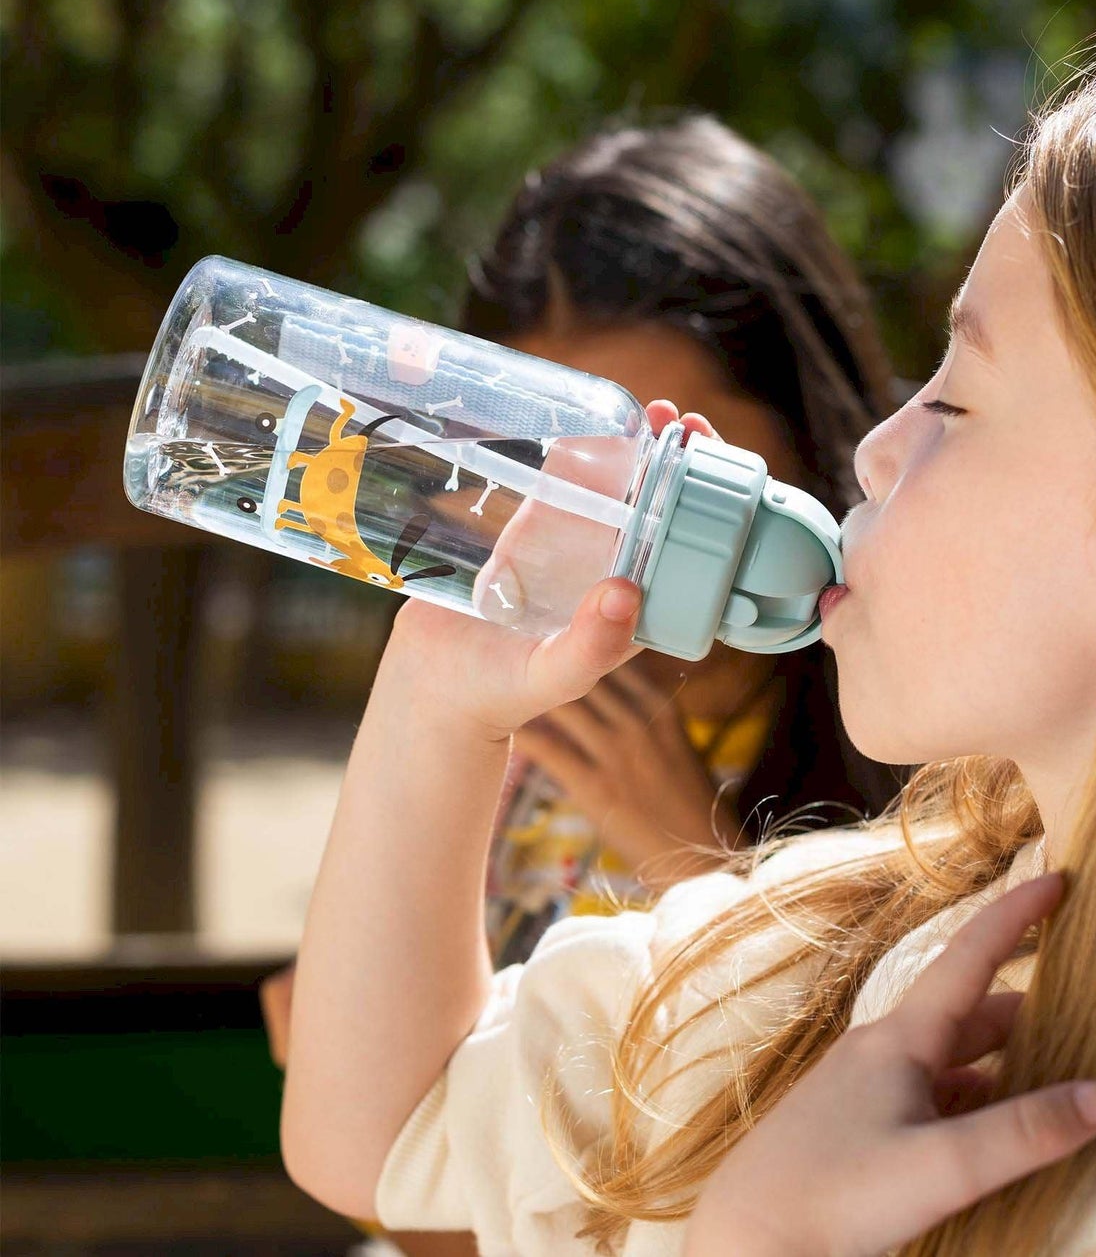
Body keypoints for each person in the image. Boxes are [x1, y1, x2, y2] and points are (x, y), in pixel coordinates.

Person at [277, 16, 1096, 1256]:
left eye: (955, 397)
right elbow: (393, 1134)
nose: (879, 445)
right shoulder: (859, 935)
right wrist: (435, 691)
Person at [261, 116, 903, 1255]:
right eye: (536, 471)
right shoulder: (486, 713)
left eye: (658, 480)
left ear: (801, 452)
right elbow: (393, 1147)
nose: (602, 540)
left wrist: (693, 857)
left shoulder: (906, 741)